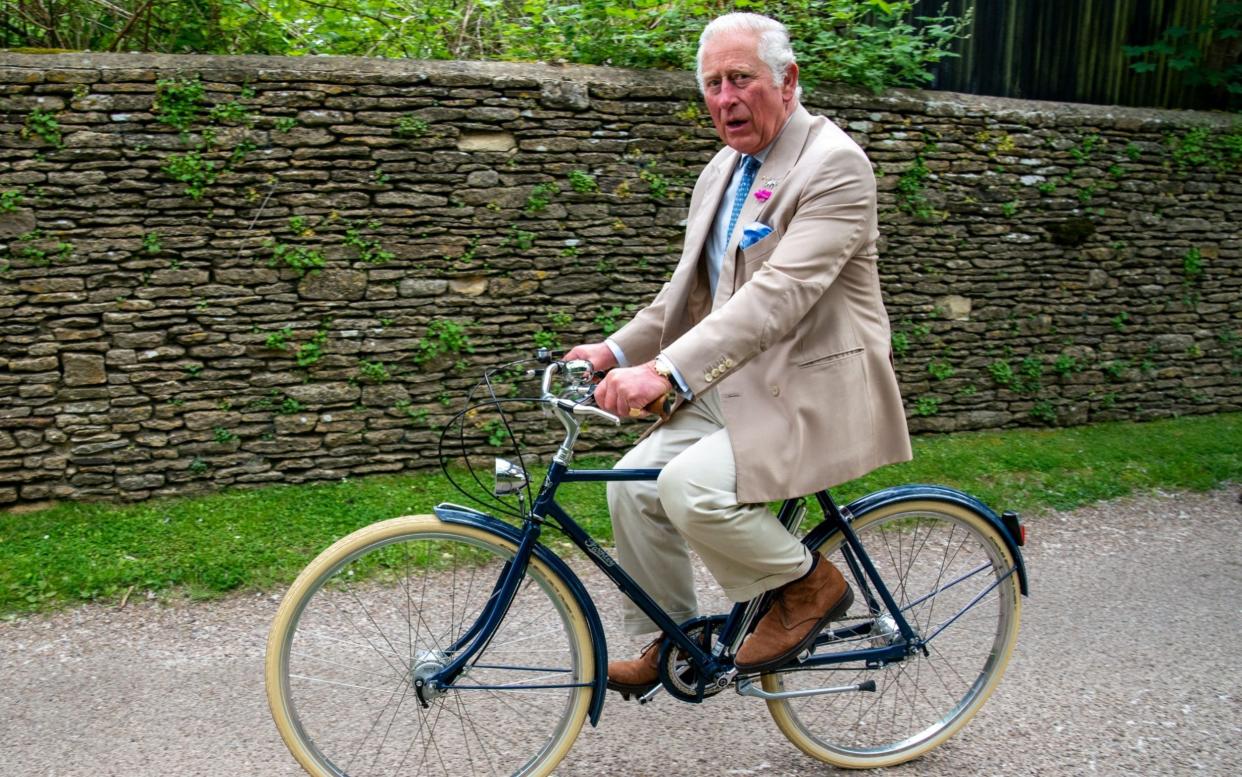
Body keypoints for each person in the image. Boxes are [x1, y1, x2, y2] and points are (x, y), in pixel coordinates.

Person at [565, 12, 912, 695]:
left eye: (741, 79)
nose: (725, 98)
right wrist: (610, 351)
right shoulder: (724, 169)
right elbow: (686, 296)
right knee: (633, 486)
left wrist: (663, 370)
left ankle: (811, 587)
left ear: (787, 81)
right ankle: (674, 638)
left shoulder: (834, 164)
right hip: (737, 386)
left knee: (688, 488)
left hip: (809, 389)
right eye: (713, 83)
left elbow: (777, 296)